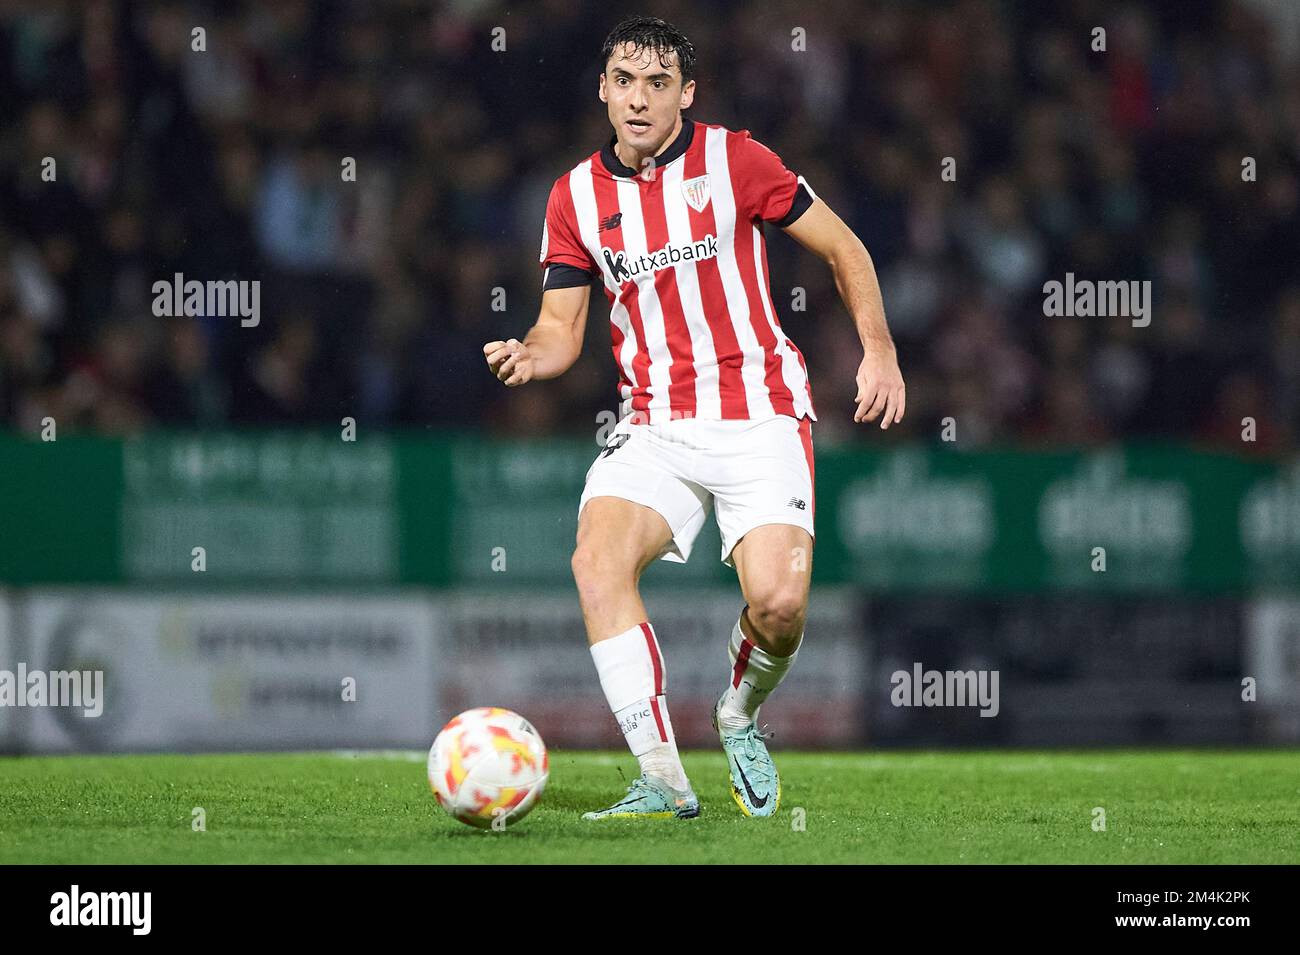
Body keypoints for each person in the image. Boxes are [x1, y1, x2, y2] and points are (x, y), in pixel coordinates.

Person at [484, 16, 904, 819]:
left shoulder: (734, 159)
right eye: (624, 81)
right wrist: (536, 353)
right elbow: (561, 326)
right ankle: (662, 777)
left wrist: (877, 350)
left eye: (657, 83)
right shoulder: (574, 195)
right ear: (603, 88)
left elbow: (846, 248)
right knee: (596, 562)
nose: (639, 99)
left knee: (779, 607)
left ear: (687, 93)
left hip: (760, 412)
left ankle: (739, 711)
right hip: (653, 423)